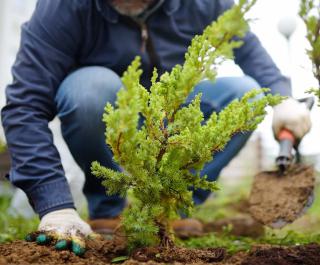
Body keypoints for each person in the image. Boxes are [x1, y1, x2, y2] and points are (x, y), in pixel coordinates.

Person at [1, 0, 311, 254]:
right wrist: (55, 206)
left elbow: (249, 51)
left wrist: (283, 99)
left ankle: (171, 206)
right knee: (89, 89)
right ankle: (107, 207)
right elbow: (25, 105)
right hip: (107, 113)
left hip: (169, 112)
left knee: (246, 94)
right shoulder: (62, 8)